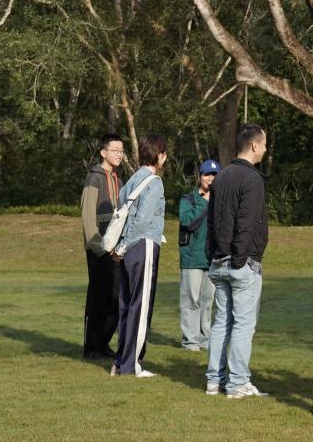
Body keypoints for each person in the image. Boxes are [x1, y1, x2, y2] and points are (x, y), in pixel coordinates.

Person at [207, 123, 271, 399]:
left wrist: (215, 253)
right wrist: (240, 260)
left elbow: (212, 221)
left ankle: (214, 380)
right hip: (240, 263)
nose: (266, 150)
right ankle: (237, 383)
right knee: (243, 324)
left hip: (220, 259)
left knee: (221, 322)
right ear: (255, 145)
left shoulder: (221, 176)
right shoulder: (252, 178)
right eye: (265, 144)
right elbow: (247, 223)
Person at [109, 136, 170, 378]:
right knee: (140, 306)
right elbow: (143, 219)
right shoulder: (154, 182)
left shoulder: (132, 180)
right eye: (164, 153)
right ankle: (131, 365)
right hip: (142, 246)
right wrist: (125, 246)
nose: (165, 158)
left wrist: (121, 247)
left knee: (127, 306)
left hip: (128, 250)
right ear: (158, 155)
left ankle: (120, 361)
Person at [79, 132, 126, 360]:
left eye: (121, 150)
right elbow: (88, 217)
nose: (119, 154)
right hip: (99, 251)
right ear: (103, 152)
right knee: (98, 298)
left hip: (116, 251)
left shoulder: (119, 180)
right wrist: (98, 247)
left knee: (115, 298)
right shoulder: (94, 178)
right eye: (115, 150)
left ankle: (104, 342)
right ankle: (92, 346)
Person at [179, 159, 219, 351]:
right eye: (207, 175)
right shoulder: (188, 200)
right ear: (200, 177)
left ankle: (205, 339)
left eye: (214, 175)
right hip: (192, 259)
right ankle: (190, 340)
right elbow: (188, 222)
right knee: (191, 301)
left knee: (207, 301)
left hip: (211, 259)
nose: (210, 178)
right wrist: (204, 202)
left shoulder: (220, 201)